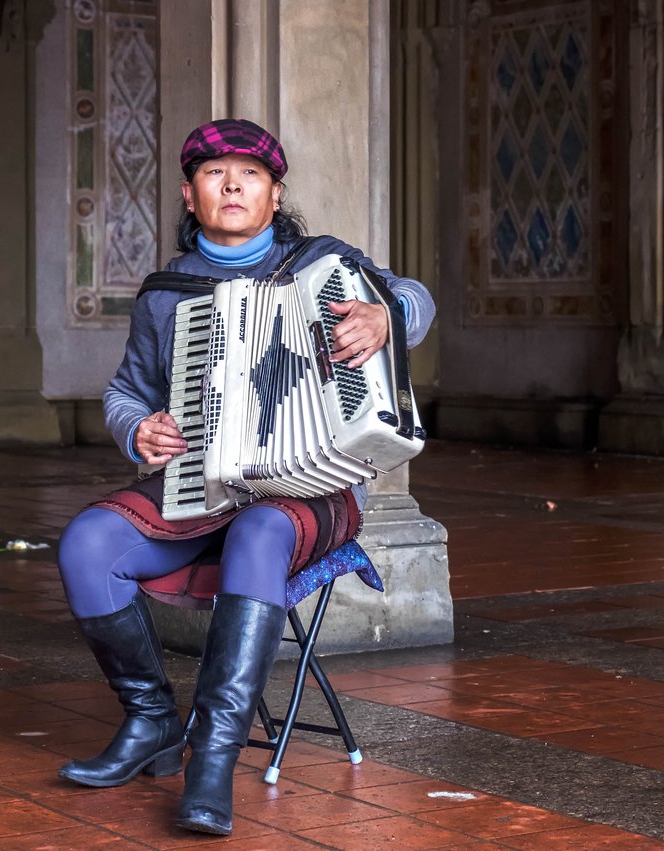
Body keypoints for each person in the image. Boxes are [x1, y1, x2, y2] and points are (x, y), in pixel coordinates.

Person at [55, 118, 435, 836]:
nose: (232, 184)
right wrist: (136, 427)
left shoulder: (324, 265)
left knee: (261, 526)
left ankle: (212, 763)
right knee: (86, 543)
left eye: (250, 173)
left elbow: (418, 297)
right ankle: (152, 723)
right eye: (213, 172)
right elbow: (127, 392)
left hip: (315, 486)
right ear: (188, 194)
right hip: (205, 482)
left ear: (274, 192)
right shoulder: (165, 294)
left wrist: (386, 315)